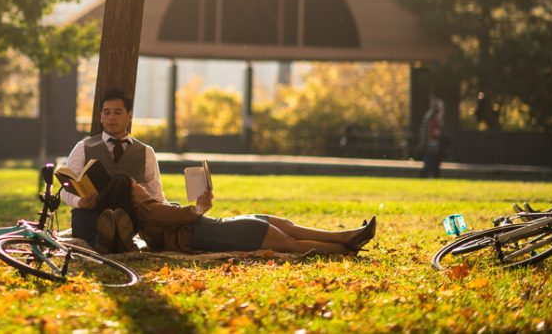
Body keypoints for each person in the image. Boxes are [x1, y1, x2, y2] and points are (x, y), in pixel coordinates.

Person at [95, 174, 377, 256]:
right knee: (286, 241)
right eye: (136, 186)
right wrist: (200, 206)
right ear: (129, 196)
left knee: (284, 225)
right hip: (215, 232)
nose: (142, 187)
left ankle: (346, 236)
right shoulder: (149, 211)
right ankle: (344, 249)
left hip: (217, 226)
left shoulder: (148, 211)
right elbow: (183, 215)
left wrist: (201, 207)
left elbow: (183, 215)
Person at [60, 88, 166, 252]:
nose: (111, 118)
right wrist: (80, 202)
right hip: (91, 214)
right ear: (100, 116)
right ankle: (112, 241)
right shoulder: (83, 147)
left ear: (129, 116)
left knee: (123, 182)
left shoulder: (146, 152)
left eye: (117, 112)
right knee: (81, 214)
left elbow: (156, 195)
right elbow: (65, 190)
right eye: (107, 112)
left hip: (127, 217)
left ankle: (105, 241)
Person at [418, 99, 446, 178]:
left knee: (433, 163)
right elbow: (430, 132)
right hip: (431, 145)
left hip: (434, 145)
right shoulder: (432, 119)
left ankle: (429, 176)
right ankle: (425, 176)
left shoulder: (436, 118)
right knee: (430, 163)